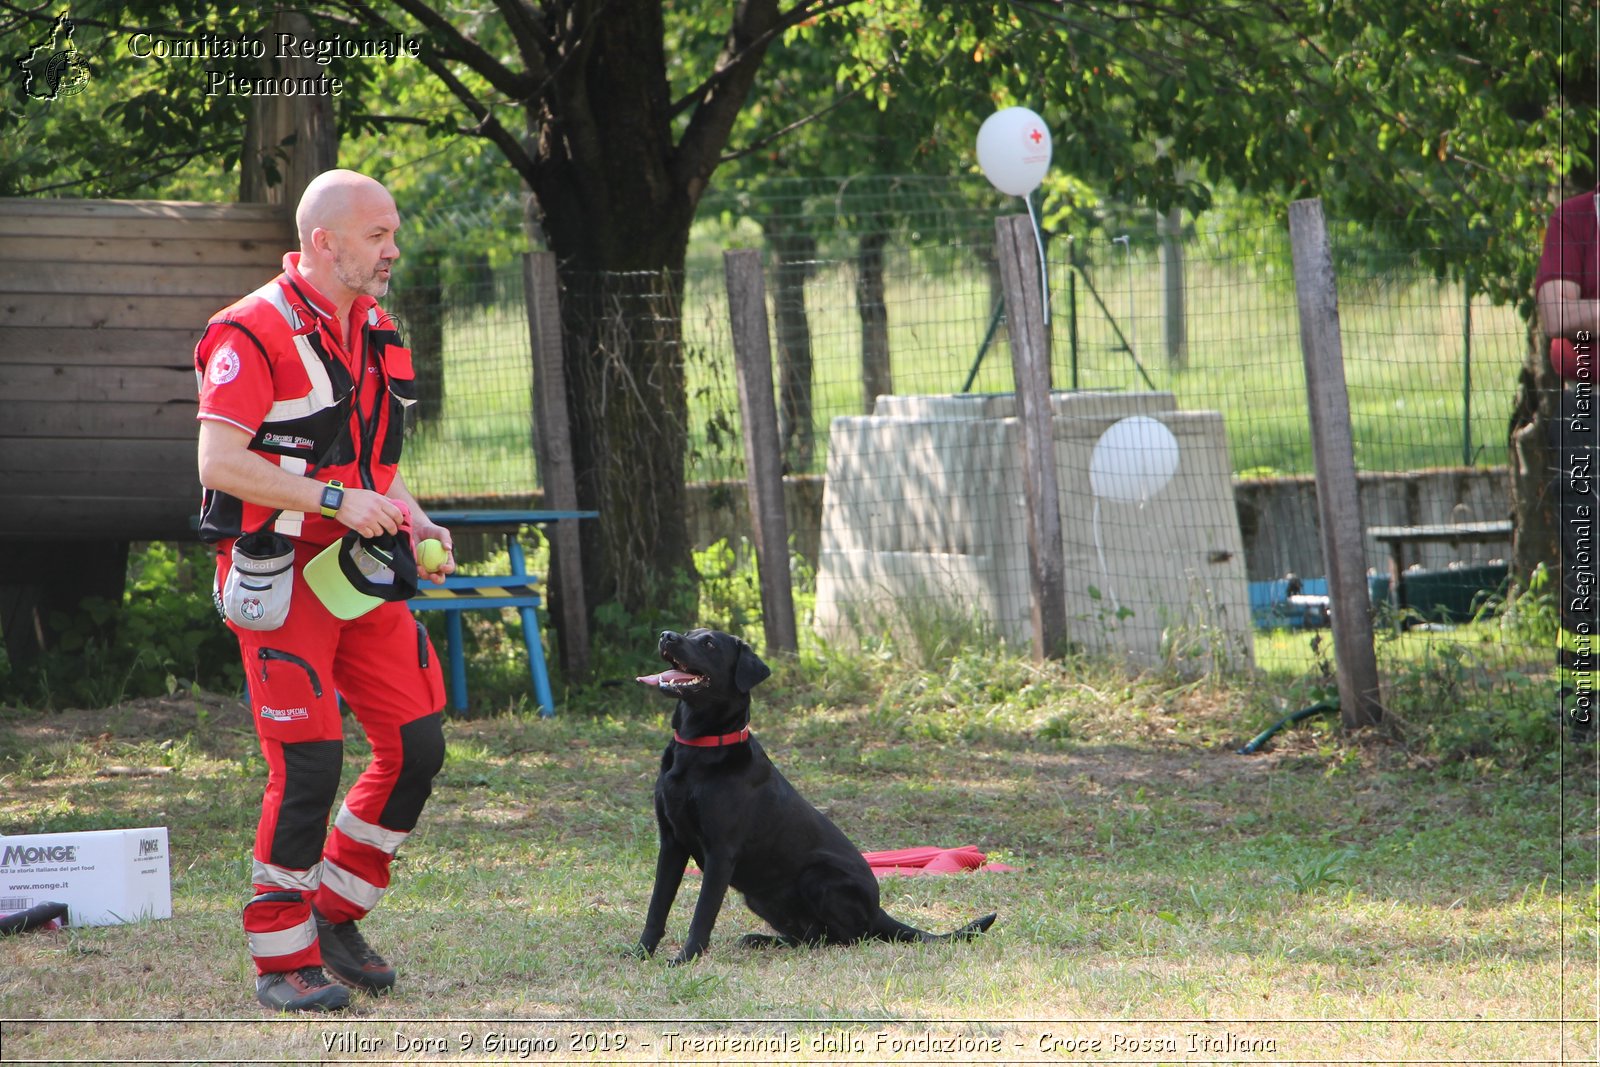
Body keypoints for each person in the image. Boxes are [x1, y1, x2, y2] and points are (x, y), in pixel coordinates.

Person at [195, 169, 455, 1011]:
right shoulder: (250, 329)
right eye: (379, 235)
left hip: (360, 572)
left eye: (393, 232)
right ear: (325, 242)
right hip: (281, 574)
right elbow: (219, 464)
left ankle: (336, 913)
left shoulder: (373, 325)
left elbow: (372, 460)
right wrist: (342, 502)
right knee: (308, 765)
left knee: (416, 746)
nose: (393, 249)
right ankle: (281, 958)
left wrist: (412, 516)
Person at [1535, 182, 1600, 744]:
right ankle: (1584, 706)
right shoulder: (1576, 219)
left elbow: (1578, 310)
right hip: (1590, 411)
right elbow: (1557, 314)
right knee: (1588, 565)